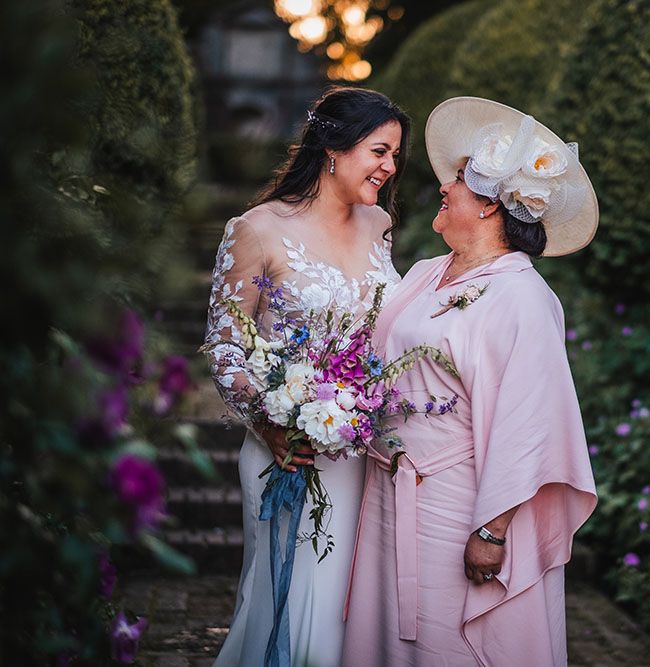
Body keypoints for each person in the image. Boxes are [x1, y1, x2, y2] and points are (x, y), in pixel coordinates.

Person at [342, 97, 599, 666]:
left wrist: (493, 529)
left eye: (457, 180)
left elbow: (529, 422)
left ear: (488, 206)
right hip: (385, 490)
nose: (444, 187)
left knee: (444, 641)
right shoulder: (426, 272)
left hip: (456, 506)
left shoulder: (524, 299)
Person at [203, 86, 410, 667]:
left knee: (350, 611)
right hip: (287, 454)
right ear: (333, 148)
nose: (389, 167)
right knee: (286, 606)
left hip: (359, 453)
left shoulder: (379, 225)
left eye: (395, 155)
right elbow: (224, 346)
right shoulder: (257, 229)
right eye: (379, 151)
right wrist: (272, 423)